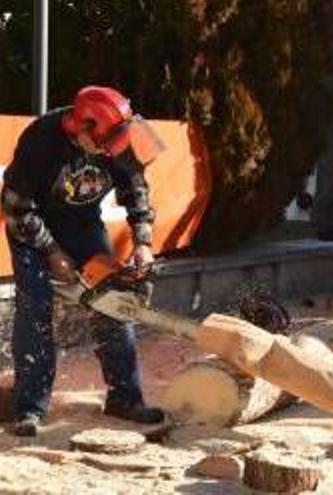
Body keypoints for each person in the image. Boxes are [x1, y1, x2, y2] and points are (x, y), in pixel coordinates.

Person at [2, 86, 166, 436]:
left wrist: (143, 242)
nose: (109, 151)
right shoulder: (40, 142)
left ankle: (125, 397)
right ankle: (30, 408)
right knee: (36, 308)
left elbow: (134, 185)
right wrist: (52, 252)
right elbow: (16, 208)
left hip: (83, 224)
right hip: (32, 228)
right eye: (104, 143)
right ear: (83, 125)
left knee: (114, 303)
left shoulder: (115, 135)